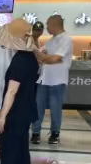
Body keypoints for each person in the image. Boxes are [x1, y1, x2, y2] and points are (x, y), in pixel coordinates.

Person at [0, 20, 40, 164]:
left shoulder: (20, 60)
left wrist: (2, 116)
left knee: (9, 152)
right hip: (25, 111)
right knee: (21, 151)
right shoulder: (30, 56)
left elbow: (12, 91)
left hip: (16, 113)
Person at [31, 14, 73, 145]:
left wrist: (45, 58)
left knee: (55, 108)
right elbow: (39, 54)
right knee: (38, 107)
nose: (47, 27)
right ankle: (35, 132)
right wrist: (44, 56)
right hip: (43, 79)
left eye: (48, 24)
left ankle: (55, 133)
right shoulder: (50, 41)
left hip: (57, 80)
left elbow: (56, 58)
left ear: (55, 24)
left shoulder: (66, 39)